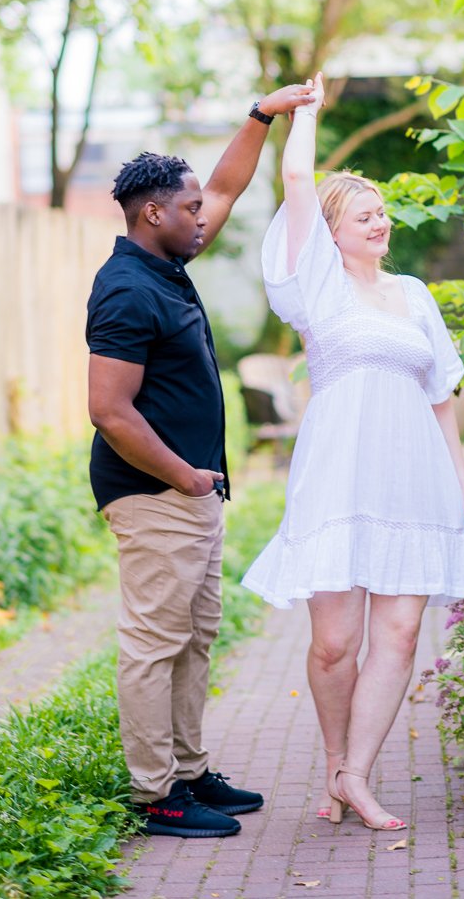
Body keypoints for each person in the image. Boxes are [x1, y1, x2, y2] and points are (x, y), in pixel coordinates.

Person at [242, 72, 464, 831]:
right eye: (364, 214)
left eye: (383, 212)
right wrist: (306, 114)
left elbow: (440, 393)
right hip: (339, 474)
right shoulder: (315, 285)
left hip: (416, 475)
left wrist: (461, 480)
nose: (380, 222)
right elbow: (296, 176)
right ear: (330, 231)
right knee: (334, 644)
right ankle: (334, 762)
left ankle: (356, 775)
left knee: (399, 633)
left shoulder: (416, 294)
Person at [86, 81, 317, 838]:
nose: (204, 217)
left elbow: (222, 184)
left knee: (195, 635)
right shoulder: (125, 289)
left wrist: (262, 115)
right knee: (155, 644)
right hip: (156, 493)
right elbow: (109, 410)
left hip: (190, 493)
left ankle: (188, 771)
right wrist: (182, 475)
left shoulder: (166, 262)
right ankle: (157, 795)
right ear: (154, 213)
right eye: (188, 211)